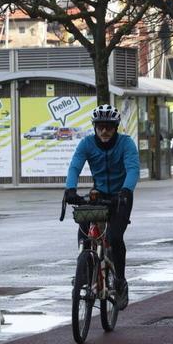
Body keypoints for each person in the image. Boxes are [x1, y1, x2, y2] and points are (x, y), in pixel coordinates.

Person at [65, 104, 140, 309]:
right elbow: (75, 166)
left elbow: (133, 169)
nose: (104, 131)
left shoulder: (126, 144)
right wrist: (70, 189)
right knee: (84, 232)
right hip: (98, 194)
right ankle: (85, 273)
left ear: (116, 127)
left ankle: (120, 281)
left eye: (109, 127)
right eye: (100, 127)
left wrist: (126, 190)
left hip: (121, 196)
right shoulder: (87, 144)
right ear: (94, 127)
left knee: (115, 238)